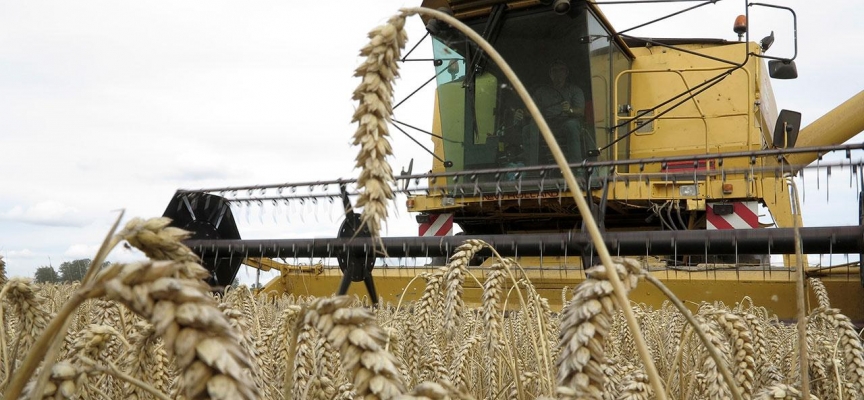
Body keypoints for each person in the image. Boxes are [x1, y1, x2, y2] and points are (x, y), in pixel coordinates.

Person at [515, 59, 588, 167]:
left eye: (561, 70)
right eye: (554, 70)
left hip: (566, 122)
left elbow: (580, 112)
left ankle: (576, 167)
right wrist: (521, 112)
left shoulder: (575, 90)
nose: (558, 73)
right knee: (527, 130)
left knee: (572, 125)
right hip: (546, 124)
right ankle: (530, 167)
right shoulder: (541, 92)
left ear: (566, 73)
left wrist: (570, 110)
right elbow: (531, 109)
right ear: (550, 74)